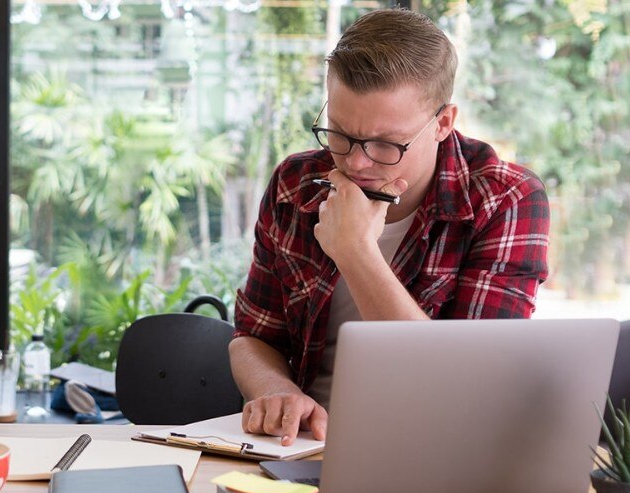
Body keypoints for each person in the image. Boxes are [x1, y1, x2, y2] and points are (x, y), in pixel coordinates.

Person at [230, 9, 550, 445]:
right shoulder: (296, 184)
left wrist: (355, 252)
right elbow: (253, 337)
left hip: (433, 448)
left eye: (386, 144)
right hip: (300, 448)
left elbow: (466, 389)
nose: (357, 163)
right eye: (340, 134)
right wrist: (276, 390)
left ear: (442, 124)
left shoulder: (504, 199)